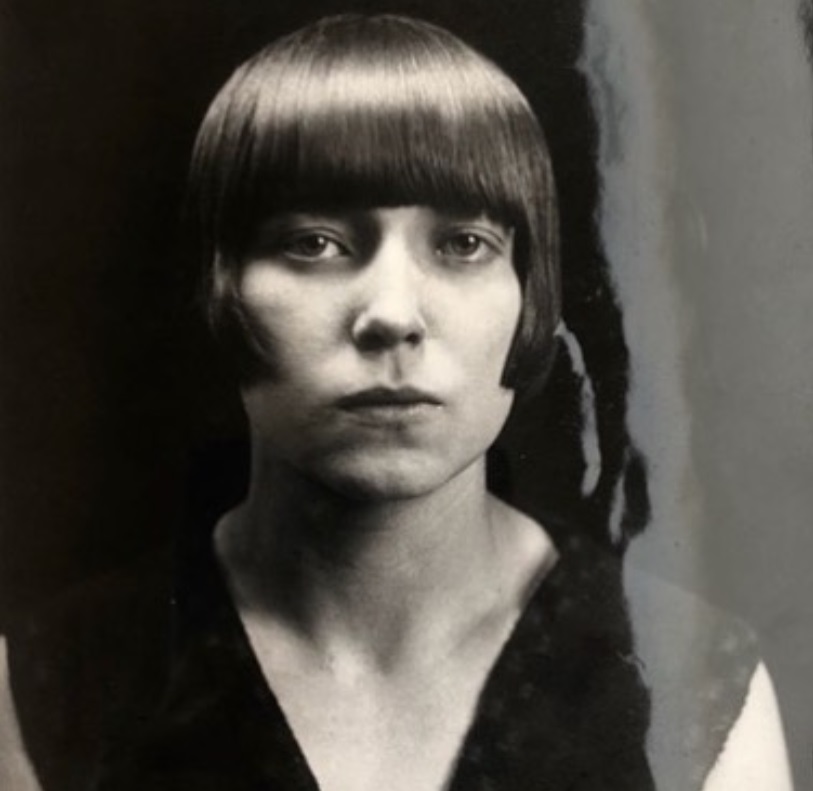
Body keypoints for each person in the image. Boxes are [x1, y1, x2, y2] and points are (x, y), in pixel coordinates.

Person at [0, 13, 792, 791]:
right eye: (314, 243)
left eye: (463, 244)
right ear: (219, 290)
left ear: (531, 296)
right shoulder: (53, 687)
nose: (391, 314)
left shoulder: (687, 680)